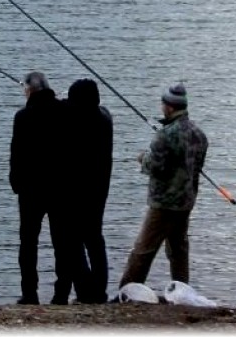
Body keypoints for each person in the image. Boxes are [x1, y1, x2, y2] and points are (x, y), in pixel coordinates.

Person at [117, 83, 208, 290]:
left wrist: (142, 158)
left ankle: (128, 291)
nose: (161, 107)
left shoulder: (165, 135)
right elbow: (196, 167)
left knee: (143, 250)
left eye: (163, 103)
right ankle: (182, 289)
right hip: (186, 201)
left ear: (169, 107)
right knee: (178, 249)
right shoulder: (199, 134)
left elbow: (156, 167)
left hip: (163, 204)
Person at [10, 71, 85, 305]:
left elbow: (17, 155)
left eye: (24, 87)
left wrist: (16, 183)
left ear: (29, 90)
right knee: (62, 243)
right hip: (62, 188)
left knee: (28, 242)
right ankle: (61, 293)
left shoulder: (23, 116)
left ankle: (29, 293)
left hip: (31, 189)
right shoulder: (67, 111)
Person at [64, 78, 114, 303]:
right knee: (95, 239)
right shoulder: (104, 118)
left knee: (73, 241)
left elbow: (65, 111)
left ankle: (85, 291)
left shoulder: (73, 121)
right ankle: (100, 290)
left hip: (76, 189)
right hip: (100, 187)